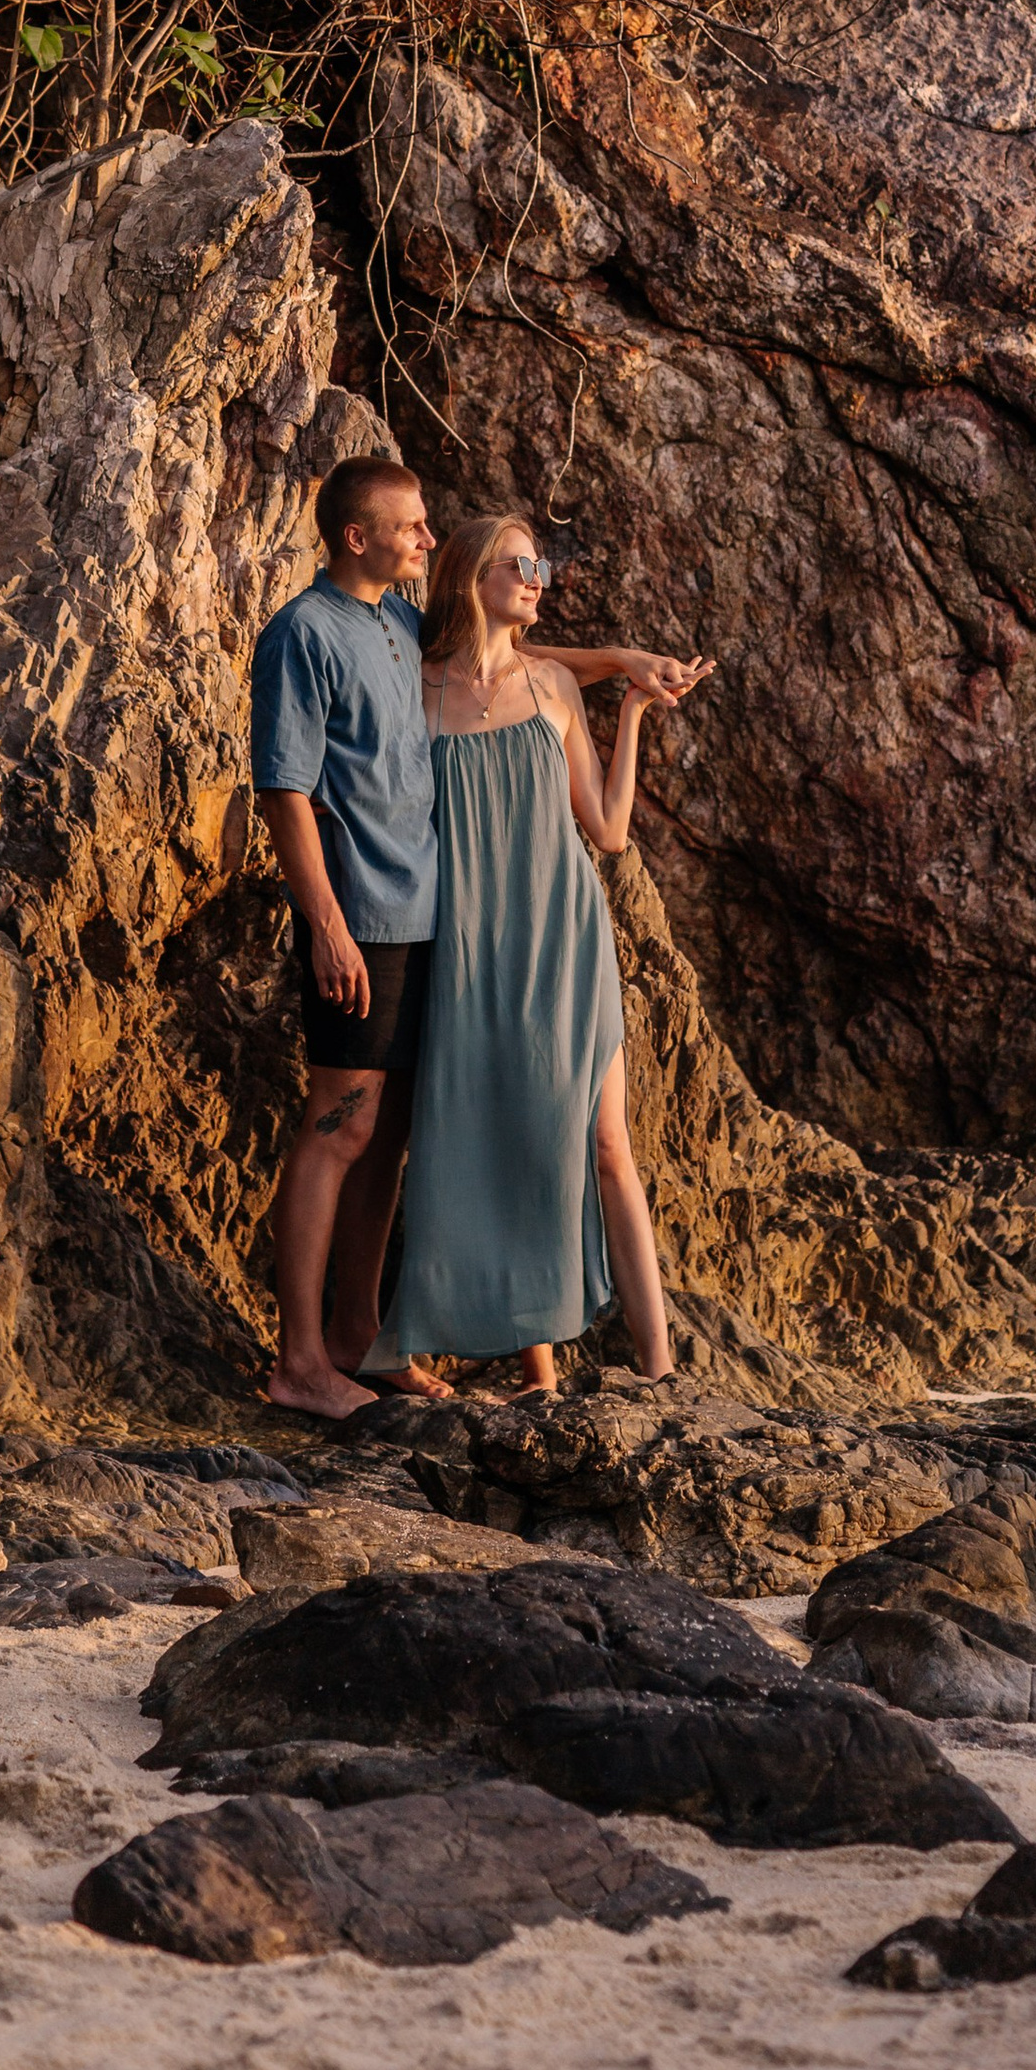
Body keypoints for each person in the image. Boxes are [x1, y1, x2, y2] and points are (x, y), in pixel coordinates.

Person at [249, 457, 701, 1419]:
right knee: (345, 1128)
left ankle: (359, 1340)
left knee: (391, 1132)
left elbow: (526, 672)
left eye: (427, 529)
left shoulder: (398, 628)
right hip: (373, 922)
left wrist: (619, 665)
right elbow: (283, 790)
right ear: (358, 537)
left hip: (446, 928)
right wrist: (323, 924)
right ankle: (306, 1362)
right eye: (409, 526)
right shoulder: (314, 634)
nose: (424, 534)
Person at [375, 508, 693, 1395]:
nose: (537, 578)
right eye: (521, 563)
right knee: (493, 1136)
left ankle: (660, 1370)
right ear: (474, 574)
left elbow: (612, 830)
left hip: (564, 934)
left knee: (602, 1143)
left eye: (541, 565)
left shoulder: (553, 684)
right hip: (468, 946)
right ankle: (538, 1372)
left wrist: (629, 706)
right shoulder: (419, 688)